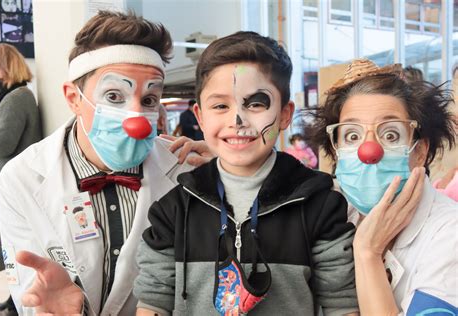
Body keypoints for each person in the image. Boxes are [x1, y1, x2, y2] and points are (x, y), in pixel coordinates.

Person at [0, 11, 208, 315]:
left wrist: (234, 169)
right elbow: (30, 292)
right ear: (73, 98)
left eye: (149, 100)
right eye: (114, 95)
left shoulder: (186, 170)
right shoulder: (22, 178)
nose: (136, 118)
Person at [134, 31, 358, 315]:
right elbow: (153, 302)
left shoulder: (321, 206)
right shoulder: (173, 210)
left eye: (255, 104)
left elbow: (341, 305)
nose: (237, 120)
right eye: (220, 106)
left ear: (285, 114)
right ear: (200, 117)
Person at [311, 58, 457, 314]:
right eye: (352, 136)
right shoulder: (333, 217)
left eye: (390, 135)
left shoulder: (449, 233)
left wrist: (368, 253)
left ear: (420, 151)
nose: (369, 150)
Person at [0, 43, 41, 312]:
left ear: (6, 67)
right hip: (5, 181)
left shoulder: (17, 97)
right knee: (9, 243)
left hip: (12, 183)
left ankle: (20, 299)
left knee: (14, 244)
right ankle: (15, 295)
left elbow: (0, 143)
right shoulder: (12, 96)